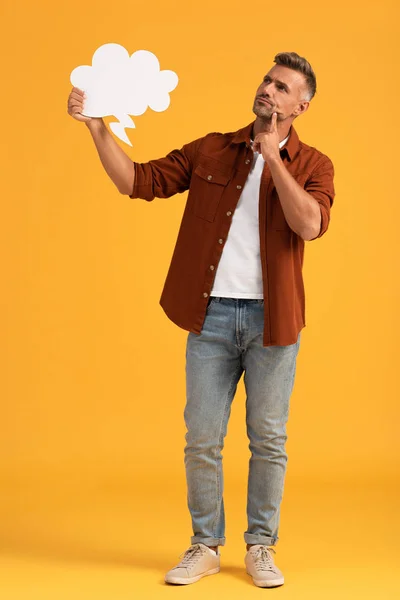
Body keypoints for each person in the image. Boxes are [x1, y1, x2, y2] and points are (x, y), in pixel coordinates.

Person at [67, 51, 335, 588]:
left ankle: (260, 546)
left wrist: (273, 159)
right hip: (210, 317)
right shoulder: (212, 148)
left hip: (273, 322)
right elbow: (136, 181)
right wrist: (97, 129)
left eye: (283, 88)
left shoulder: (314, 165)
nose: (269, 90)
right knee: (202, 439)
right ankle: (204, 545)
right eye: (267, 80)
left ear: (300, 106)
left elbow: (309, 225)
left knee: (268, 439)